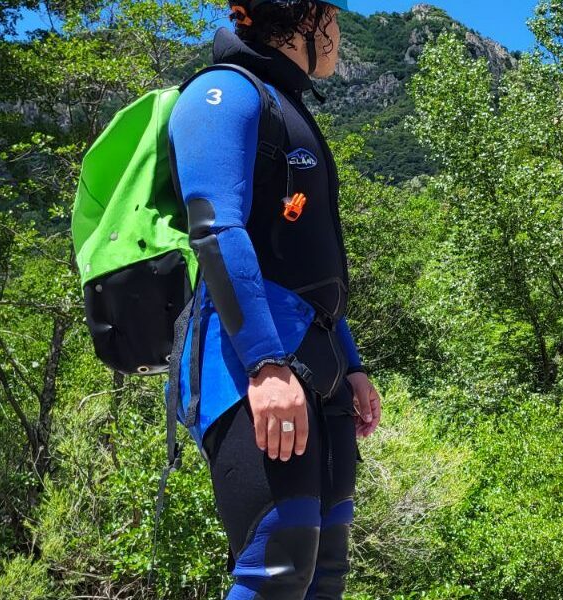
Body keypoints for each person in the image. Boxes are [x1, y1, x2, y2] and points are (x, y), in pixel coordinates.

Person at [168, 0, 381, 597]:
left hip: (316, 358)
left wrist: (353, 365)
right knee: (275, 568)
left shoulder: (288, 107)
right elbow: (214, 230)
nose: (340, 30)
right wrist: (264, 363)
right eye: (331, 16)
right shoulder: (223, 93)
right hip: (244, 360)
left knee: (325, 570)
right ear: (299, 20)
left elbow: (310, 272)